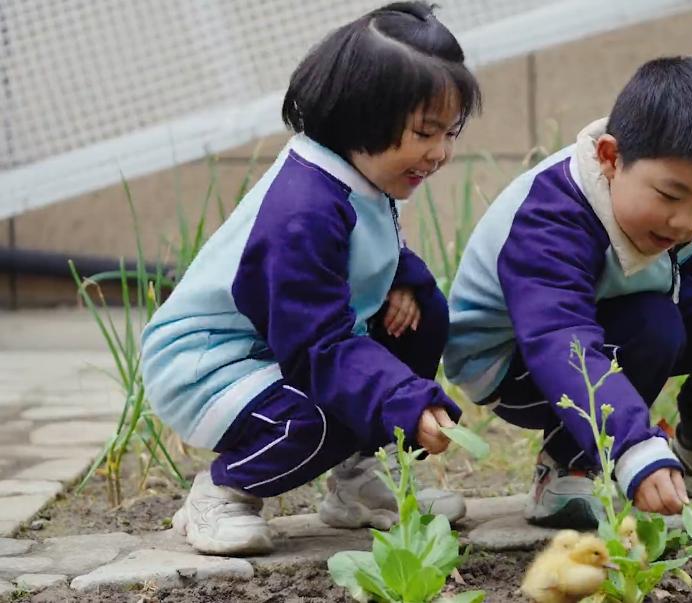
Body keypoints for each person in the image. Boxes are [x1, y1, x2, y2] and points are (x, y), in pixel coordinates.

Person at [140, 1, 481, 555]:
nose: (440, 153)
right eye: (425, 132)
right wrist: (399, 395)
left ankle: (356, 483)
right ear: (361, 117)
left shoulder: (357, 172)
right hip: (208, 363)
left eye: (450, 132)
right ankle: (222, 490)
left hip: (279, 342)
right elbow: (317, 344)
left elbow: (365, 250)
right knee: (325, 415)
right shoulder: (303, 208)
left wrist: (401, 279)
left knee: (420, 318)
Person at [443, 56, 692, 529]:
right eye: (670, 196)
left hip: (607, 326)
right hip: (516, 362)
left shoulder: (676, 218)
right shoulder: (551, 218)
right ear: (611, 158)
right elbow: (558, 336)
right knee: (653, 323)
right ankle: (567, 465)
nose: (685, 221)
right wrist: (633, 446)